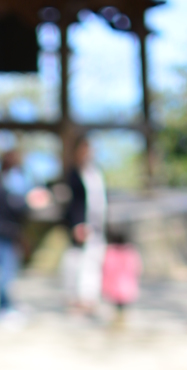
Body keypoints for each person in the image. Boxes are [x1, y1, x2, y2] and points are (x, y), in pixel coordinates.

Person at [63, 136, 107, 315]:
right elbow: (73, 203)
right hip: (81, 225)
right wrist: (77, 224)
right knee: (76, 262)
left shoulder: (95, 173)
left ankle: (90, 299)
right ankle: (76, 299)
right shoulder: (73, 174)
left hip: (97, 226)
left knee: (93, 263)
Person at [0, 149, 28, 319]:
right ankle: (2, 308)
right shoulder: (1, 183)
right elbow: (12, 206)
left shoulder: (6, 181)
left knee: (7, 270)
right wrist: (26, 202)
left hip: (9, 232)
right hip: (2, 231)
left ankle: (5, 304)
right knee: (4, 271)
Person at [102, 229, 142, 325]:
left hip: (115, 283)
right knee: (122, 304)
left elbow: (106, 267)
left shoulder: (111, 251)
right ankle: (120, 319)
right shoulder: (130, 251)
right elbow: (137, 267)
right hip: (126, 283)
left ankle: (118, 319)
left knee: (117, 304)